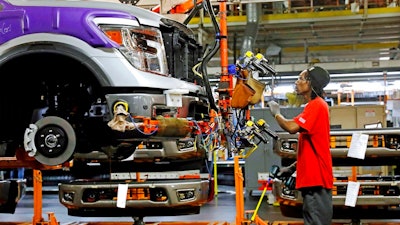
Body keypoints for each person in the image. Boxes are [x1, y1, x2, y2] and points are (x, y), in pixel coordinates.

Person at [268, 66, 333, 225]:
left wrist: (277, 114)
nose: (297, 82)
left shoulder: (316, 105)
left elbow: (291, 128)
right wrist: (292, 168)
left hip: (316, 181)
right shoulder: (313, 106)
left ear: (311, 83)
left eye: (301, 79)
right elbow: (312, 148)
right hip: (312, 180)